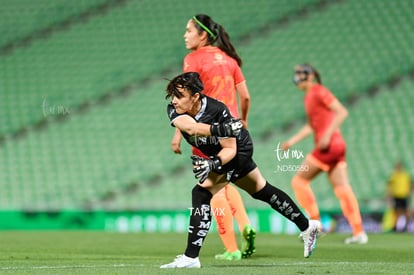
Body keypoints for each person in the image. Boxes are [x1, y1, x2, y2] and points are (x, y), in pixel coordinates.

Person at [160, 72, 321, 269]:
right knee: (262, 190)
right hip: (222, 151)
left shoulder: (218, 110)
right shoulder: (174, 109)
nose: (174, 101)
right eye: (173, 96)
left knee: (201, 192)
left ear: (195, 97)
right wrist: (223, 130)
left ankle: (191, 257)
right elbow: (192, 128)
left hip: (238, 151)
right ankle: (307, 226)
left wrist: (213, 164)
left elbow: (230, 149)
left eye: (180, 96)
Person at [170, 14, 255, 260]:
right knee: (228, 180)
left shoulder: (193, 59)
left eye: (188, 30)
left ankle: (231, 249)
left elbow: (187, 100)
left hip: (207, 130)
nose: (185, 35)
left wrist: (178, 134)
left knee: (211, 188)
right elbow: (246, 96)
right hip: (234, 131)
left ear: (202, 34)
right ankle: (245, 223)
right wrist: (243, 121)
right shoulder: (229, 59)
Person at [282, 64, 368, 244]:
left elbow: (342, 111)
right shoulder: (308, 97)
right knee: (342, 189)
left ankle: (315, 225)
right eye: (296, 73)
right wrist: (292, 141)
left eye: (301, 73)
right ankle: (359, 232)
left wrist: (327, 135)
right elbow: (312, 126)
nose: (297, 77)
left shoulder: (319, 91)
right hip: (337, 146)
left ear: (311, 76)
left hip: (328, 146)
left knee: (299, 181)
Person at [386, 161, 413, 232]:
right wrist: (389, 195)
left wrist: (410, 193)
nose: (398, 168)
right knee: (396, 212)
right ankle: (395, 227)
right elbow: (390, 186)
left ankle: (406, 226)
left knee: (406, 212)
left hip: (405, 196)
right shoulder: (393, 175)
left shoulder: (406, 175)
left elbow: (410, 184)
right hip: (397, 196)